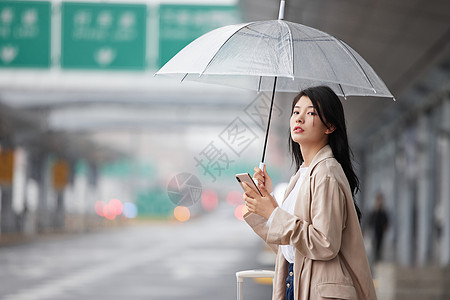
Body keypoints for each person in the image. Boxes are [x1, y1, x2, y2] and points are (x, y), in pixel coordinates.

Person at [241, 86, 377, 300]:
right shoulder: (302, 175)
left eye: (311, 113)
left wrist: (274, 214)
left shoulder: (326, 173)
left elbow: (325, 243)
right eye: (296, 112)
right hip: (295, 283)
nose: (299, 118)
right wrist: (268, 202)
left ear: (330, 126)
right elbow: (289, 247)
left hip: (317, 290)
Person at [368, 194, 389, 263]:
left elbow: (386, 221)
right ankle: (375, 257)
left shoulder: (383, 212)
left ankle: (378, 257)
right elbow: (370, 221)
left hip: (381, 231)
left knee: (380, 244)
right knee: (374, 243)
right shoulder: (374, 211)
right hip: (374, 231)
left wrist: (385, 227)